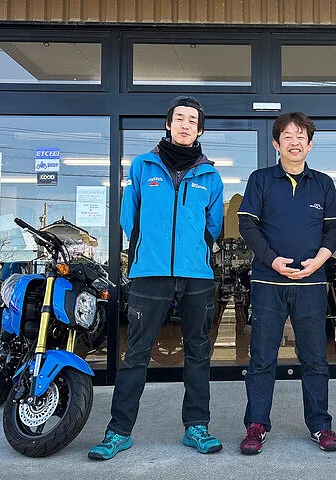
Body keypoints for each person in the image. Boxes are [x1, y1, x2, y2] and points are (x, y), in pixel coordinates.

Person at [88, 96, 224, 460]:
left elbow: (213, 225)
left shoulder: (210, 176)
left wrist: (195, 249)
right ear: (168, 124)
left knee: (198, 352)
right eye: (179, 118)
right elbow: (128, 217)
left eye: (192, 120)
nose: (185, 124)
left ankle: (197, 427)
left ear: (199, 129)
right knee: (136, 353)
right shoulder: (142, 166)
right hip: (150, 273)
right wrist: (147, 248)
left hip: (196, 275)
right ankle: (118, 431)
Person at [237, 112, 336, 454]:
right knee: (262, 358)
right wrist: (272, 260)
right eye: (288, 136)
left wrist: (320, 260)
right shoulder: (261, 180)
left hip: (311, 283)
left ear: (309, 145)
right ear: (276, 143)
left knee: (315, 358)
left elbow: (335, 227)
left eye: (301, 137)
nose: (294, 142)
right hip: (268, 281)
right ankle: (256, 425)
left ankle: (320, 425)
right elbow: (247, 225)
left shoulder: (323, 183)